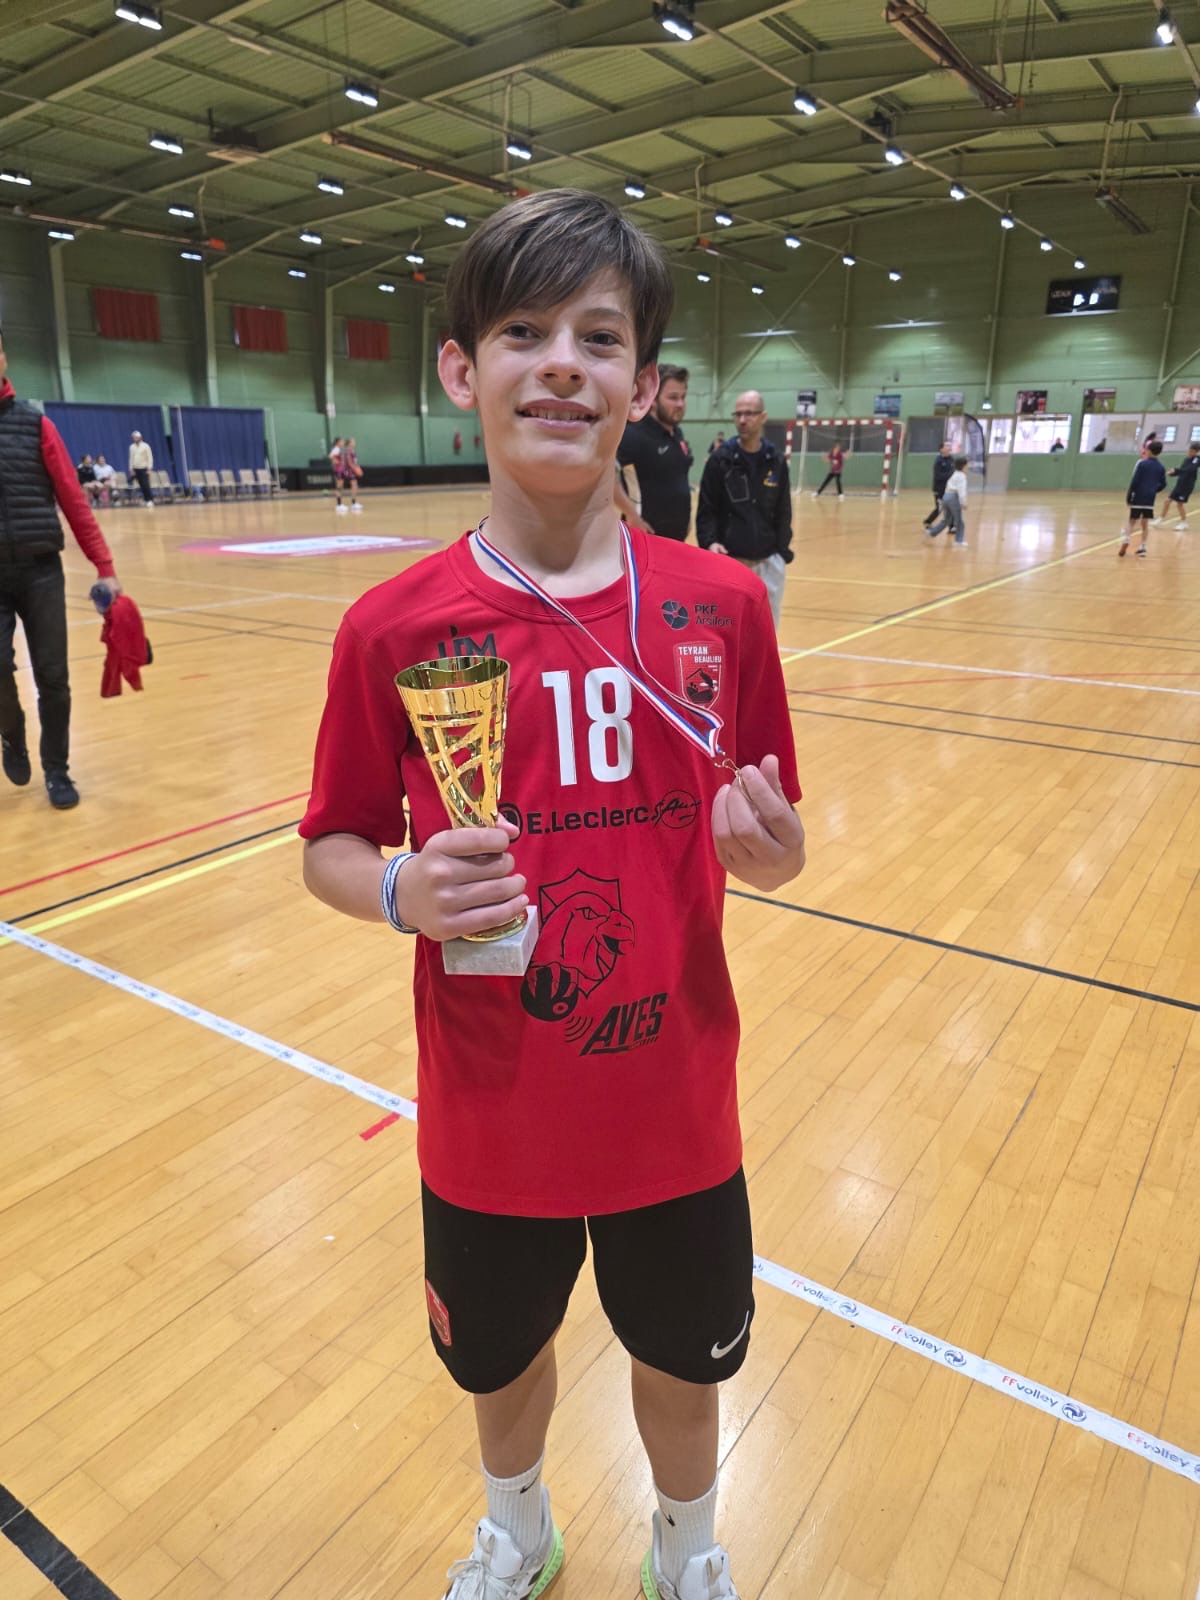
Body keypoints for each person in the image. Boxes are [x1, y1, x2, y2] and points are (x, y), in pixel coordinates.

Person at [298, 188, 805, 1600]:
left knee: (685, 1360)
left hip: (674, 1099)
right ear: (463, 369)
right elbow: (329, 844)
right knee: (500, 1359)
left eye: (600, 336)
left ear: (642, 386)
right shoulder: (390, 628)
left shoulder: (723, 609)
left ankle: (688, 1551)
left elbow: (779, 836)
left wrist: (772, 853)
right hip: (491, 1106)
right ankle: (518, 1532)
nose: (562, 365)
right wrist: (398, 889)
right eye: (524, 333)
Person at [0, 326, 122, 808]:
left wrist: (104, 565)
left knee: (53, 677)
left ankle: (57, 769)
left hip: (41, 572)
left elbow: (73, 500)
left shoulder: (36, 425)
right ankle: (12, 733)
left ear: (4, 357)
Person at [696, 390, 793, 628]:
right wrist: (709, 542)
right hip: (730, 561)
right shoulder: (721, 459)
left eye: (749, 414)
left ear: (762, 417)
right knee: (727, 631)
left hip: (769, 561)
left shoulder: (776, 460)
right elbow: (707, 508)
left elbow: (783, 509)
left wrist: (781, 549)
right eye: (738, 414)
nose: (742, 420)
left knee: (767, 631)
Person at [614, 363, 693, 541]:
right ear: (654, 399)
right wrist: (632, 515)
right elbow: (607, 476)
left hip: (677, 538)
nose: (680, 404)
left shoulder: (677, 434)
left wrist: (686, 517)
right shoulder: (634, 434)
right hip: (646, 538)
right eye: (673, 398)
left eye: (683, 397)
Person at [1121, 440, 1167, 557]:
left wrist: (1129, 496)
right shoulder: (1161, 467)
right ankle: (1142, 548)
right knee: (1145, 524)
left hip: (1138, 496)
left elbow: (1135, 481)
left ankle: (1126, 540)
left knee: (1132, 521)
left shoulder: (1142, 464)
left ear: (1149, 450)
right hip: (1150, 499)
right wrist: (1154, 490)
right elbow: (1163, 484)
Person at [926, 454, 969, 546]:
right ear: (964, 466)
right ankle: (959, 541)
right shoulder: (962, 476)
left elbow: (948, 486)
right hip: (953, 497)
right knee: (959, 521)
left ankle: (932, 532)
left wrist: (945, 498)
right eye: (967, 465)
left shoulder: (954, 474)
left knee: (946, 520)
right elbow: (961, 490)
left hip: (946, 496)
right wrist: (963, 502)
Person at [1154, 441, 1198, 530]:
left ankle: (1184, 522)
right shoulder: (1187, 459)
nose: (1189, 452)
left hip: (1187, 486)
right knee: (1167, 501)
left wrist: (1176, 470)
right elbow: (1182, 471)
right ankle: (1161, 518)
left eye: (1192, 451)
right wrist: (1172, 473)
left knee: (1179, 504)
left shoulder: (1196, 459)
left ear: (1196, 452)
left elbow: (1190, 470)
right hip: (1180, 484)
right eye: (1189, 450)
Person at [922, 442, 954, 530]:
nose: (949, 448)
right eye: (947, 446)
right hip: (939, 489)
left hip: (948, 489)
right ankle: (928, 522)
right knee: (939, 508)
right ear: (941, 449)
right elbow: (938, 476)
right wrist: (950, 475)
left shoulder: (951, 459)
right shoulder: (938, 461)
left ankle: (952, 526)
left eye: (949, 446)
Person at [332, 435, 362, 513]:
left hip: (345, 470)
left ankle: (352, 503)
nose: (355, 443)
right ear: (349, 443)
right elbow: (349, 462)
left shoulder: (346, 450)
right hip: (347, 471)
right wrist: (356, 469)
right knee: (340, 487)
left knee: (352, 486)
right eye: (353, 441)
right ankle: (339, 505)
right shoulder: (344, 450)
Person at [128, 431, 154, 508]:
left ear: (140, 437)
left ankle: (150, 500)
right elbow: (131, 458)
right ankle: (146, 500)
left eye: (136, 437)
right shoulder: (131, 447)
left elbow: (150, 457)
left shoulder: (146, 446)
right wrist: (131, 469)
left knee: (146, 485)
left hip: (144, 468)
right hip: (136, 469)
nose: (134, 439)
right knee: (141, 486)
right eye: (133, 437)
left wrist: (149, 468)